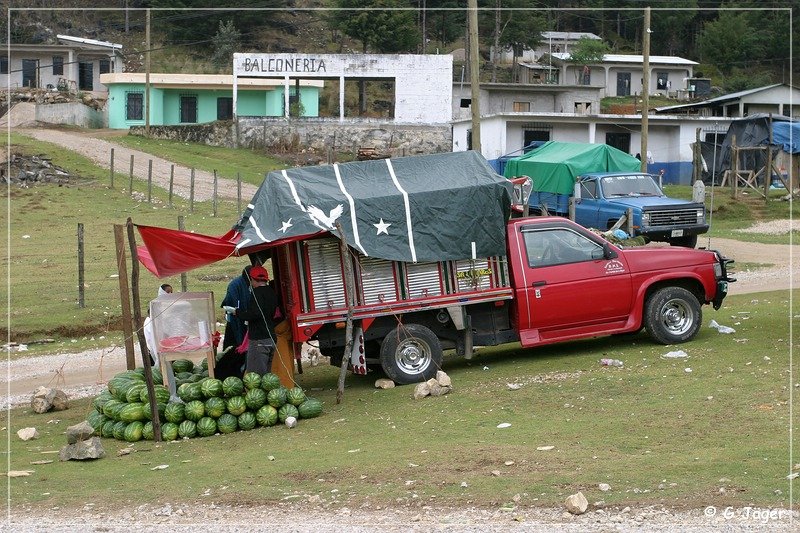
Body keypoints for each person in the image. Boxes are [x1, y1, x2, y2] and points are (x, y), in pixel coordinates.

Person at [225, 265, 279, 375]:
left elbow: (254, 314)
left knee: (255, 377)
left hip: (259, 340)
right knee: (267, 376)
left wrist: (237, 312)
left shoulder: (256, 293)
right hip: (271, 339)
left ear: (252, 279)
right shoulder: (271, 292)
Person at [220, 266, 252, 352]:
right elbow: (232, 302)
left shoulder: (251, 283)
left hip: (246, 317)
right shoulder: (235, 285)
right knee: (235, 341)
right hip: (235, 317)